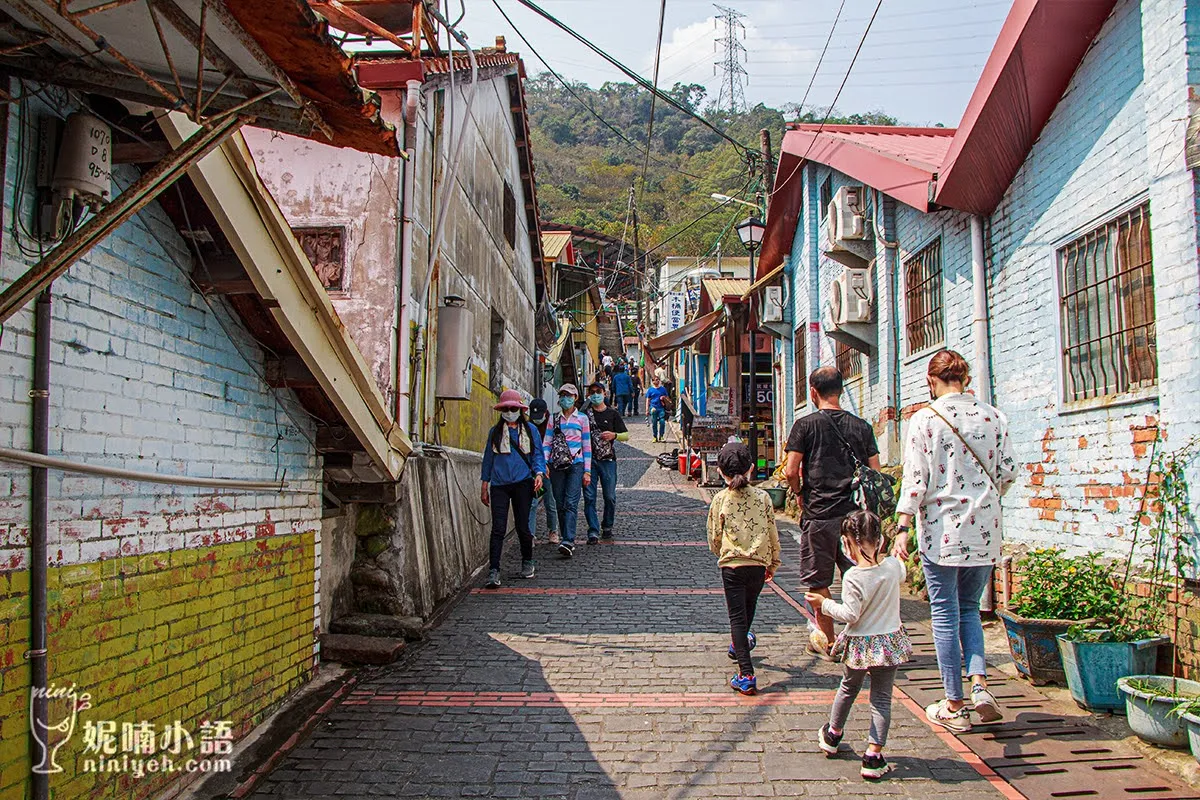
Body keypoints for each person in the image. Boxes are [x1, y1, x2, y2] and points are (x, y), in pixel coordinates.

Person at [892, 350, 1017, 733]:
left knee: (944, 612)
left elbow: (916, 478)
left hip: (942, 531)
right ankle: (980, 684)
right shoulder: (993, 416)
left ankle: (955, 703)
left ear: (931, 381)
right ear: (964, 379)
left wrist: (901, 527)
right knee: (970, 609)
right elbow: (1008, 472)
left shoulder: (926, 419)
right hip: (985, 529)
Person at [783, 367, 882, 658]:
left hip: (819, 516)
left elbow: (791, 470)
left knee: (818, 581)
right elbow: (875, 472)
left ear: (813, 392)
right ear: (839, 389)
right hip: (855, 519)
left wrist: (799, 492)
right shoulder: (862, 426)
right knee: (862, 576)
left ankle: (829, 641)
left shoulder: (805, 425)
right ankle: (864, 638)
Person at [806, 510, 912, 780]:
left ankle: (833, 734)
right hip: (888, 642)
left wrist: (823, 605)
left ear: (848, 543)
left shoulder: (853, 576)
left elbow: (850, 615)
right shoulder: (891, 568)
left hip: (860, 645)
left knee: (848, 688)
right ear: (880, 541)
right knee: (881, 698)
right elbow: (902, 573)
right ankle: (873, 755)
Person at [708, 441, 781, 697]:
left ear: (719, 471)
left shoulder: (720, 499)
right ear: (751, 468)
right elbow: (772, 531)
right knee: (749, 609)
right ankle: (740, 645)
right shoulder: (763, 497)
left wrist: (722, 552)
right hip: (758, 564)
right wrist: (773, 562)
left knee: (737, 617)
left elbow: (714, 535)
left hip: (732, 565)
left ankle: (746, 673)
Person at [480, 390, 545, 589]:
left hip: (523, 483)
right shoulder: (495, 432)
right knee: (498, 528)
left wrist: (539, 474)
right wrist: (485, 484)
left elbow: (538, 455)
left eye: (513, 408)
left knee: (522, 526)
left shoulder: (531, 431)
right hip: (499, 485)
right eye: (506, 409)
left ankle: (527, 561)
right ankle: (494, 570)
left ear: (520, 409)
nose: (510, 412)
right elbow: (488, 459)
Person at [544, 383, 592, 558]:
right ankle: (565, 536)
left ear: (575, 398)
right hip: (556, 466)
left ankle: (568, 540)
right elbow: (547, 443)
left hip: (576, 464)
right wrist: (544, 465)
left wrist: (587, 471)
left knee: (571, 502)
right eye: (563, 395)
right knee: (560, 502)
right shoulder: (553, 419)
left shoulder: (582, 419)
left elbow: (587, 446)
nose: (566, 398)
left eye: (569, 395)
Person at [584, 382, 629, 543]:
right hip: (589, 461)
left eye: (598, 392)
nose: (595, 395)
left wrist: (614, 435)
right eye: (592, 392)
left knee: (609, 496)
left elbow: (626, 435)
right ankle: (593, 530)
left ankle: (607, 525)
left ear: (604, 393)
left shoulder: (612, 414)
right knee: (589, 497)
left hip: (608, 461)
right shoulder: (585, 414)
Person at [527, 398, 560, 545]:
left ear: (545, 413)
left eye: (539, 417)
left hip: (548, 470)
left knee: (550, 502)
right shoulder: (527, 426)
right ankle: (530, 534)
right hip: (533, 469)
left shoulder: (552, 425)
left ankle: (553, 531)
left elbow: (554, 446)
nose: (537, 420)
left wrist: (547, 463)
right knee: (532, 503)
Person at [646, 378, 670, 443]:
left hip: (661, 408)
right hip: (653, 407)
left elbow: (667, 398)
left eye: (657, 380)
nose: (656, 381)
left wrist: (664, 398)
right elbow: (648, 400)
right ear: (652, 381)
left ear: (659, 381)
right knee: (654, 422)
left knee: (662, 421)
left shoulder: (663, 389)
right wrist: (647, 410)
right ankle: (655, 436)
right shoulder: (650, 390)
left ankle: (661, 436)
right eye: (654, 380)